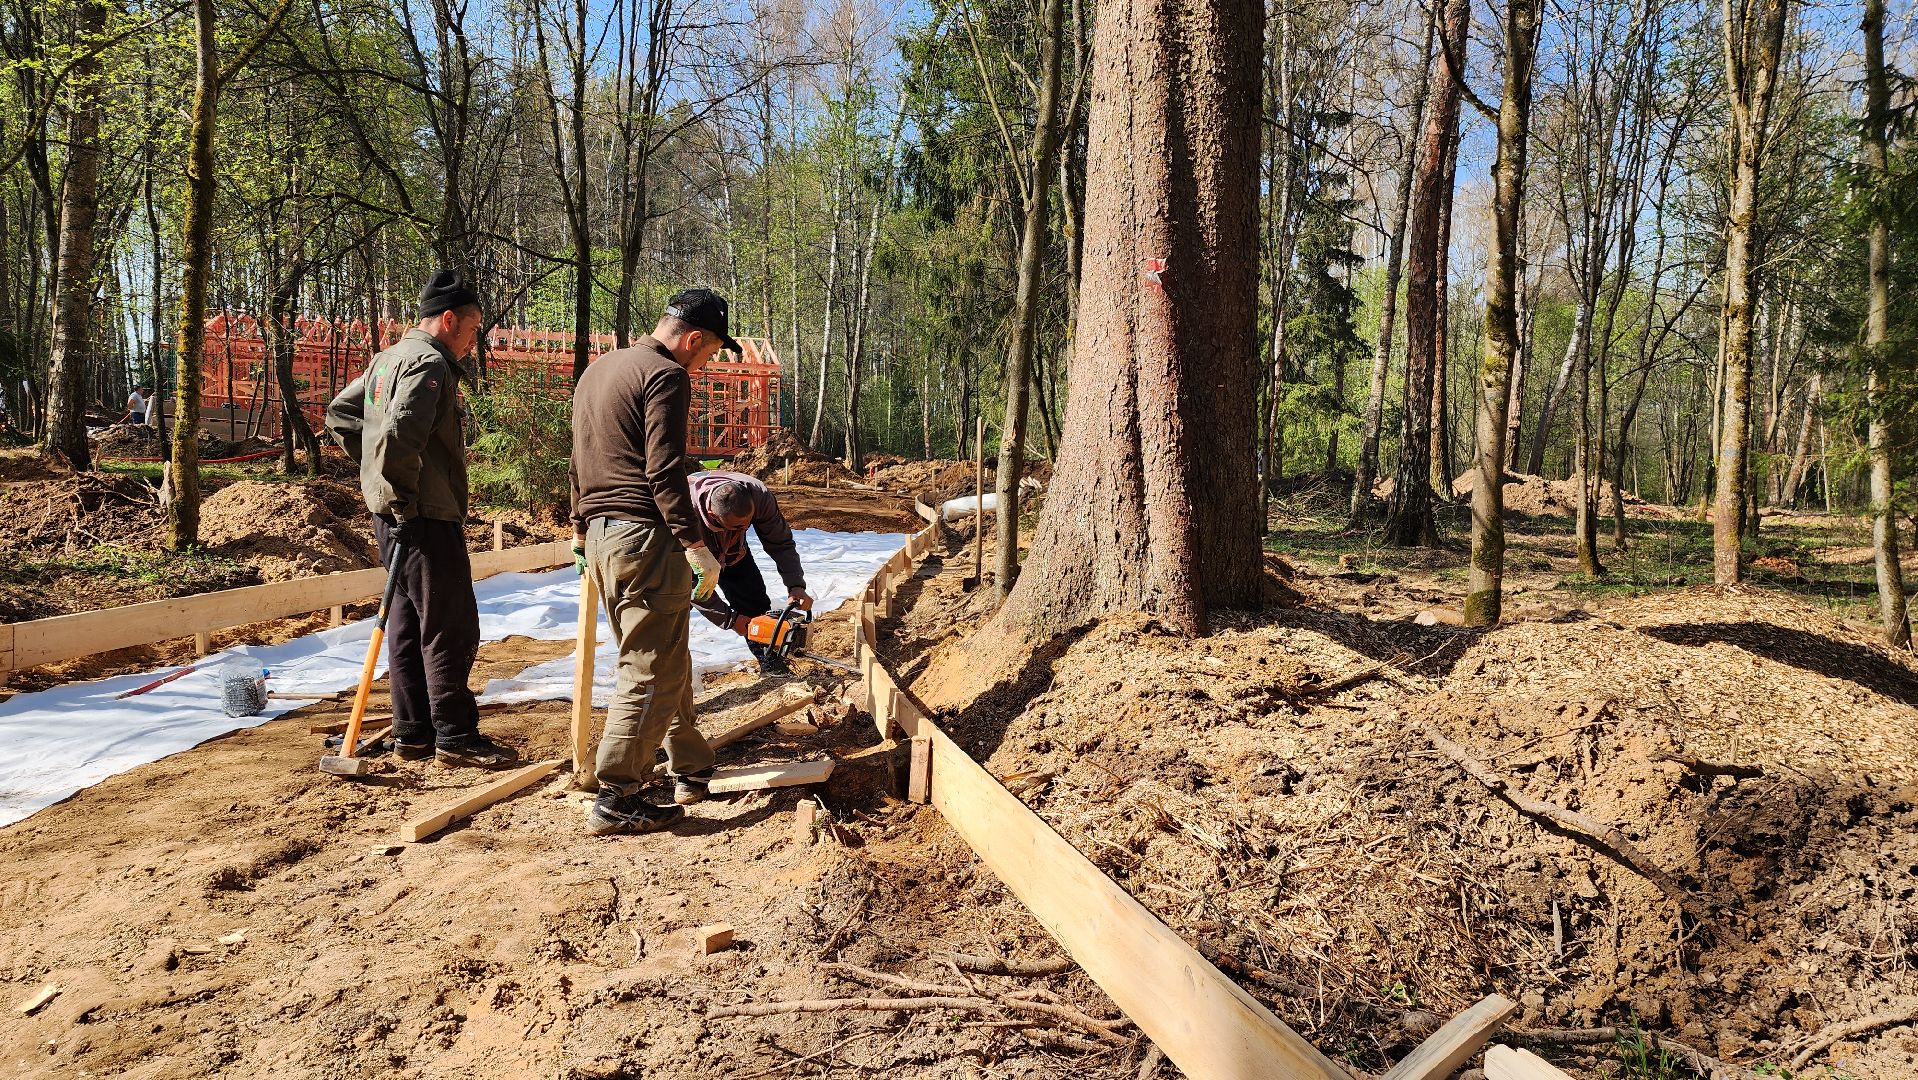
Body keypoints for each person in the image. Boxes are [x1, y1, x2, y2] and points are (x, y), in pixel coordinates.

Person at [324, 270, 517, 769]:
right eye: (472, 331)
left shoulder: (388, 358)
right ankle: (455, 734)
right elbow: (398, 435)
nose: (473, 343)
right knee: (449, 624)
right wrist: (401, 493)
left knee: (407, 623)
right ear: (449, 320)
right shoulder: (430, 364)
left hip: (393, 515)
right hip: (422, 515)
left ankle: (413, 731)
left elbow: (342, 415)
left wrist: (377, 481)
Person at [570, 287, 738, 836]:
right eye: (709, 352)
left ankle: (689, 765)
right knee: (648, 667)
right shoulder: (666, 376)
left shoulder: (599, 371)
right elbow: (663, 471)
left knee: (664, 651)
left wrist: (579, 528)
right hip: (644, 536)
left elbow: (579, 460)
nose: (705, 362)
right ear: (692, 339)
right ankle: (618, 792)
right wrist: (696, 546)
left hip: (601, 536)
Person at [687, 470, 814, 674]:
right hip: (691, 559)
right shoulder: (682, 511)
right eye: (737, 526)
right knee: (673, 616)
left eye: (748, 524)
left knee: (755, 604)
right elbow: (687, 584)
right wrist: (729, 619)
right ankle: (671, 685)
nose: (744, 529)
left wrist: (796, 585)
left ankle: (771, 665)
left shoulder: (758, 495)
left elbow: (780, 542)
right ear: (713, 516)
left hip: (734, 554)